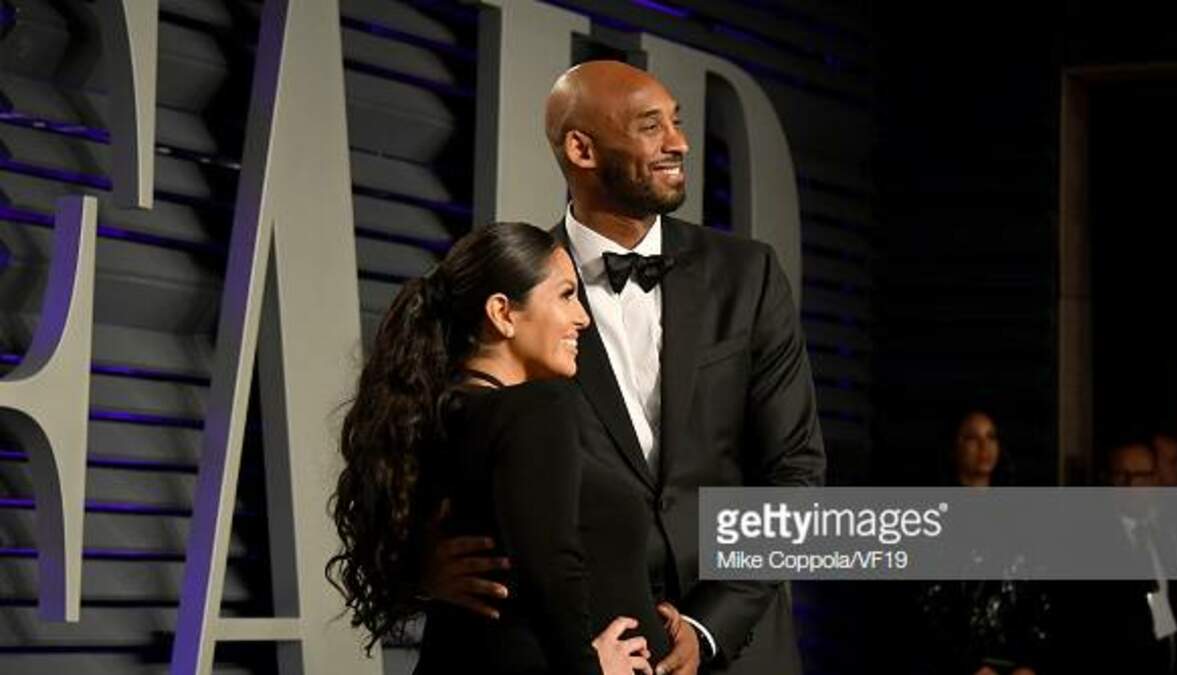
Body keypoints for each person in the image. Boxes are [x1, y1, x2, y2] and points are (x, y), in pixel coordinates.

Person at [425, 60, 826, 675]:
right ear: (581, 149)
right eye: (650, 126)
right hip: (591, 649)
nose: (680, 143)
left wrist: (709, 626)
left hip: (741, 650)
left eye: (677, 122)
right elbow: (441, 457)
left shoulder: (749, 275)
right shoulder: (516, 287)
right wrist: (421, 567)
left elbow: (796, 472)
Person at [326, 222, 668, 674]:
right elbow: (552, 570)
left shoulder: (432, 417)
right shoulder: (537, 408)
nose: (583, 318)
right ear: (502, 313)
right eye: (567, 295)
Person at [916, 410, 1048, 675]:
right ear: (955, 446)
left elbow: (1036, 591)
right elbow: (928, 602)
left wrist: (1029, 662)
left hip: (1014, 661)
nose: (984, 447)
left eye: (991, 437)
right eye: (972, 438)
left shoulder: (1019, 514)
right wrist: (968, 665)